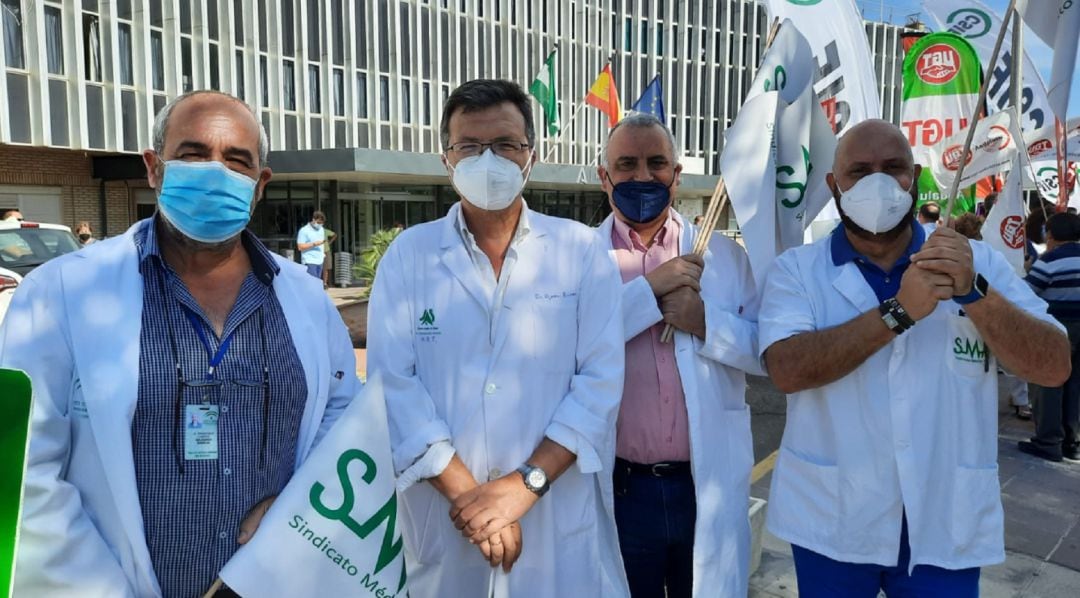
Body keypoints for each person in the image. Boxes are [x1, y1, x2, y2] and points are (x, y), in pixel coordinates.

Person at [0, 90, 358, 597]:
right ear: (153, 167)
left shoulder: (304, 297)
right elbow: (24, 469)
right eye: (193, 154)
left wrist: (296, 508)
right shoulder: (62, 292)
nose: (215, 172)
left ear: (260, 186)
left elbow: (341, 419)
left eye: (236, 161)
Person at [758, 119, 1070, 597]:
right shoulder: (798, 270)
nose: (878, 183)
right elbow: (786, 369)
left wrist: (973, 294)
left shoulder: (975, 263)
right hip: (835, 519)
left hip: (944, 519)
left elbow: (1054, 364)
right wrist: (897, 313)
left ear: (917, 177)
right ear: (833, 185)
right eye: (859, 171)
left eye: (894, 168)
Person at [366, 79, 628, 597]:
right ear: (447, 158)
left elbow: (599, 384)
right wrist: (478, 501)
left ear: (531, 156)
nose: (489, 159)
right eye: (470, 146)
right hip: (448, 518)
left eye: (506, 145)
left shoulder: (578, 251)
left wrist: (523, 487)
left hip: (550, 512)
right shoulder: (409, 256)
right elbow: (394, 387)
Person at [595, 113, 760, 597]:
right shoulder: (578, 259)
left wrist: (705, 322)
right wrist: (649, 292)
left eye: (656, 163)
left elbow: (767, 353)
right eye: (626, 164)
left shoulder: (725, 258)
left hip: (702, 485)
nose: (642, 177)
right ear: (605, 177)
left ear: (676, 174)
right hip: (622, 489)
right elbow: (567, 347)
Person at [1020, 212, 1080, 462]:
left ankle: (1048, 441)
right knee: (1075, 383)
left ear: (1051, 234)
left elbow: (1026, 292)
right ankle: (1072, 441)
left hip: (1056, 328)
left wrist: (1027, 270)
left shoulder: (1049, 261)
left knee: (1048, 381)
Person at [296, 211, 327, 279]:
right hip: (309, 261)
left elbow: (322, 243)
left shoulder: (321, 229)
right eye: (318, 222)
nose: (320, 224)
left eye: (322, 223)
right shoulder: (304, 230)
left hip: (320, 260)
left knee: (317, 284)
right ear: (313, 219)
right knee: (312, 283)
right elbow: (300, 247)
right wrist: (314, 244)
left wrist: (323, 253)